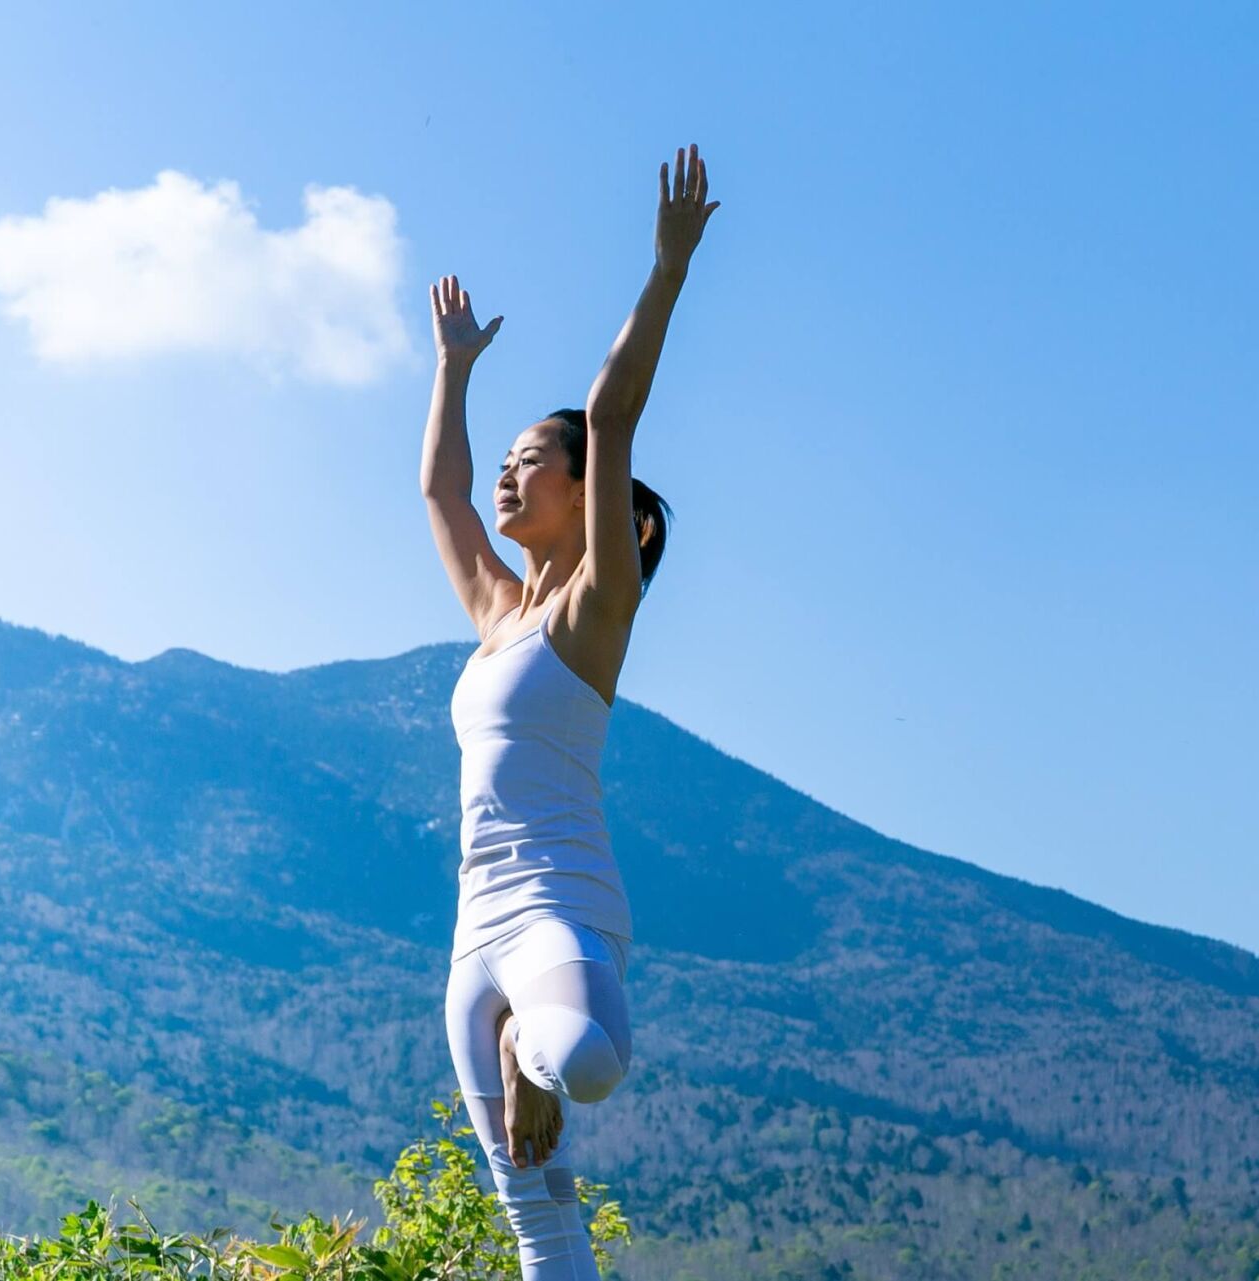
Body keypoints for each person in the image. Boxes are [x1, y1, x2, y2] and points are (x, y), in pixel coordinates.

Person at [419, 144, 719, 1279]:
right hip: (471, 939)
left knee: (586, 1063)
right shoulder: (499, 613)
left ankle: (528, 1053)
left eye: (531, 460)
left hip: (558, 915)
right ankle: (515, 1046)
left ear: (588, 492)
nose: (507, 477)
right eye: (510, 459)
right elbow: (440, 492)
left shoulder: (597, 610)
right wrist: (453, 369)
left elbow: (611, 404)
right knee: (542, 1225)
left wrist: (669, 268)